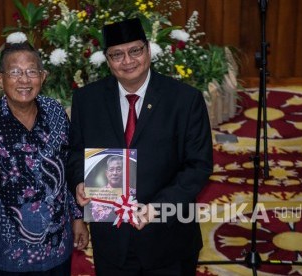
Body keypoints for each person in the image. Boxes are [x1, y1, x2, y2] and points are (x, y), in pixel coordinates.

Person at [67, 18, 213, 275]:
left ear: (148, 50)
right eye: (117, 54)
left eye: (135, 51)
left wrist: (159, 207)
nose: (128, 61)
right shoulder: (87, 100)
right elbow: (75, 153)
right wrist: (80, 181)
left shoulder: (185, 99)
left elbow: (198, 166)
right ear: (107, 59)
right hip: (111, 240)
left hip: (168, 236)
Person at [0, 41, 89, 276]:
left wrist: (78, 217)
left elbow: (68, 167)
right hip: (5, 254)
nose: (24, 80)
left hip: (56, 247)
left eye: (31, 71)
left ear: (43, 76)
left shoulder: (55, 112)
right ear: (0, 78)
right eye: (15, 72)